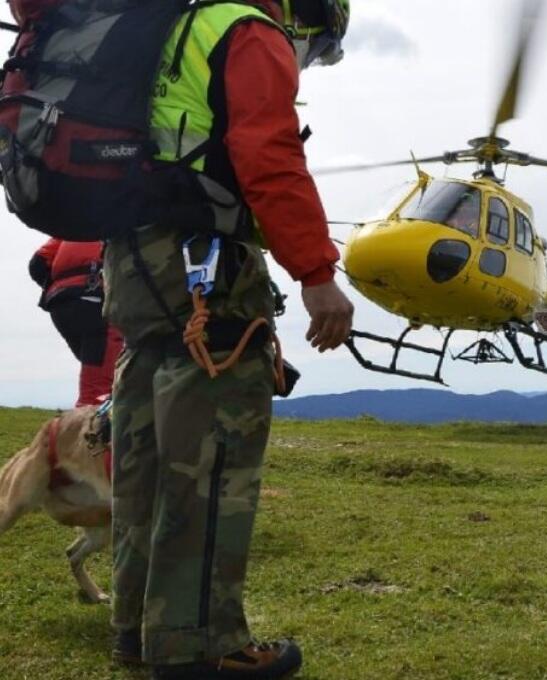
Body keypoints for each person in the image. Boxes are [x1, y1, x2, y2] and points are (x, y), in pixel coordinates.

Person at [104, 0, 353, 678]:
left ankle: (137, 628)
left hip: (131, 263)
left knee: (146, 456)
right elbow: (265, 152)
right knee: (212, 460)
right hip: (201, 265)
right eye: (322, 47)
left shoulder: (162, 30)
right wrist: (315, 269)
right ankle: (201, 645)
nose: (313, 59)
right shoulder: (247, 29)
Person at [28, 238, 123, 407]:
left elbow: (37, 264)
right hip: (97, 306)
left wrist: (65, 287)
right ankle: (87, 429)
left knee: (101, 372)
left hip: (60, 306)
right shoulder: (127, 218)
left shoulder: (70, 229)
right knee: (98, 391)